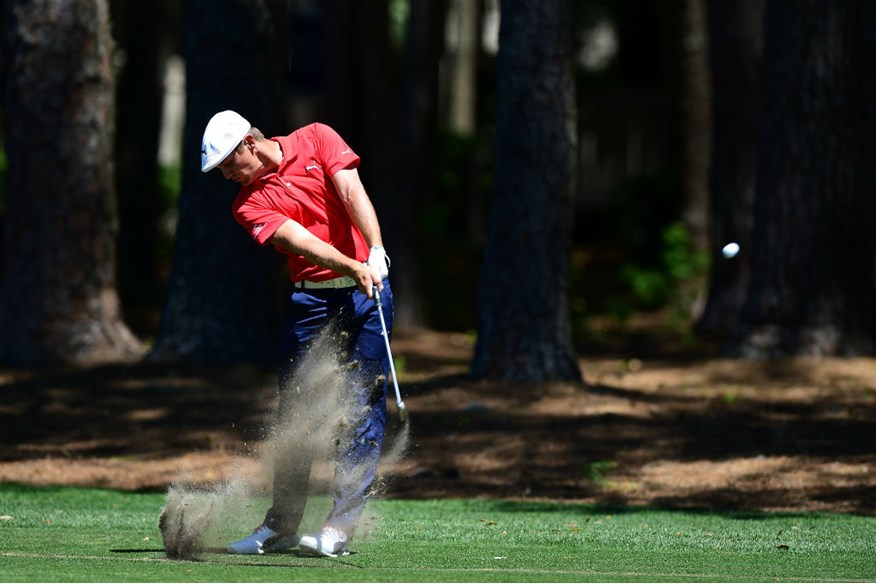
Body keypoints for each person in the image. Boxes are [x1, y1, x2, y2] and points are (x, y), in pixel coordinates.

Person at [200, 110, 393, 557]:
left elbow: (350, 191)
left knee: (362, 406)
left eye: (229, 163)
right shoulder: (246, 203)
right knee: (296, 415)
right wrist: (353, 264)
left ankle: (338, 530)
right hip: (312, 302)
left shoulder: (317, 136)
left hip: (369, 294)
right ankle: (282, 526)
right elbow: (298, 240)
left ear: (250, 141)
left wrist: (376, 249)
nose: (227, 175)